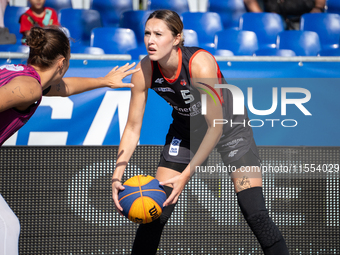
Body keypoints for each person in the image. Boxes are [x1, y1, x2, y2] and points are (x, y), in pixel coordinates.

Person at [111, 9, 289, 255]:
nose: (150, 41)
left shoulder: (200, 63)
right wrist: (117, 174)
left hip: (229, 128)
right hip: (186, 130)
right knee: (156, 210)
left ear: (176, 38)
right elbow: (132, 127)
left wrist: (186, 174)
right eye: (147, 33)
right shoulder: (144, 70)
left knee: (254, 211)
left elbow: (215, 126)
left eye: (158, 34)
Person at [0, 26, 139, 255]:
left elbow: (65, 87)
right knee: (7, 226)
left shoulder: (25, 76)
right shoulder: (29, 87)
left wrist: (104, 81)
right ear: (62, 62)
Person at [244, 0, 326, 30]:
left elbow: (319, 3)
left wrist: (317, 8)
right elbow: (249, 1)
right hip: (275, 22)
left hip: (306, 19)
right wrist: (264, 17)